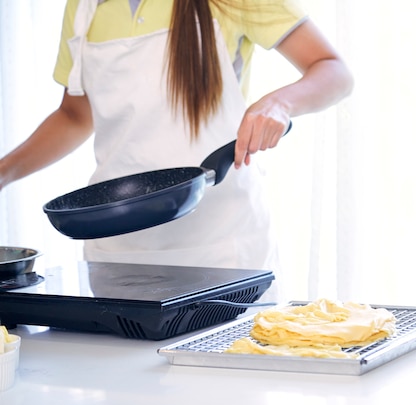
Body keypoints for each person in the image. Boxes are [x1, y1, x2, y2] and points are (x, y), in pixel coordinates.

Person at [0, 0, 353, 300]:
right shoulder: (84, 7)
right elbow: (74, 116)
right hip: (117, 251)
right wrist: (3, 173)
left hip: (220, 247)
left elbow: (332, 69)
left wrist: (279, 104)